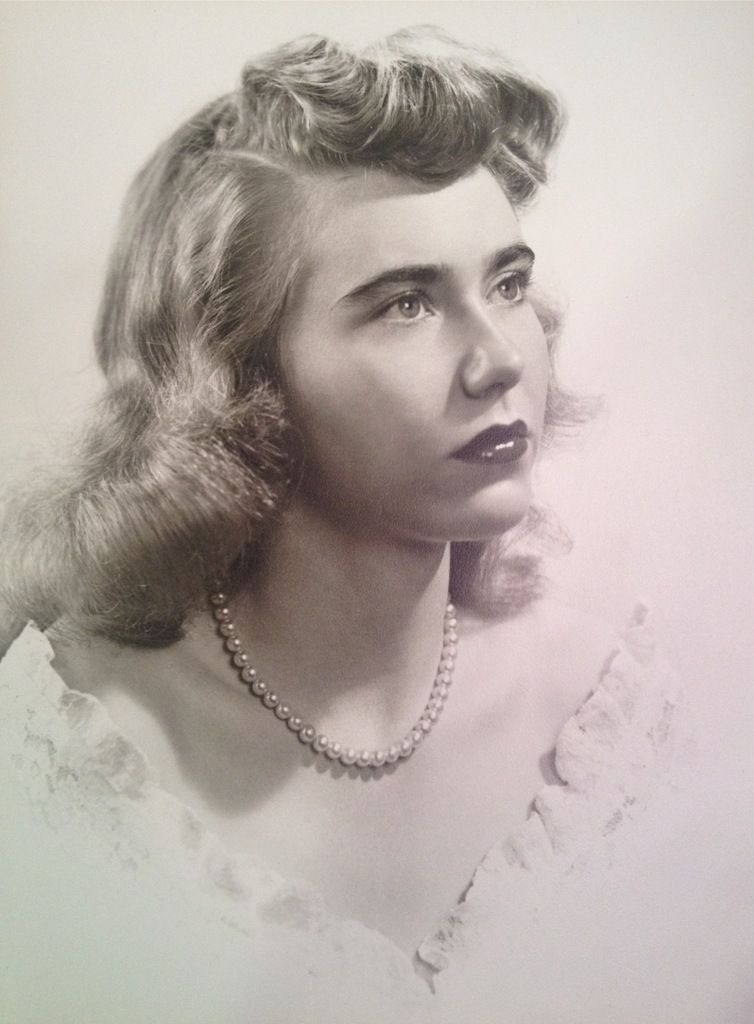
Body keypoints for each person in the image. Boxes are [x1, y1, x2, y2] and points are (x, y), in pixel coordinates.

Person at [1, 26, 750, 1024]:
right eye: (405, 305)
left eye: (509, 284)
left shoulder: (620, 731)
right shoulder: (63, 762)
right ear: (241, 378)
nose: (501, 358)